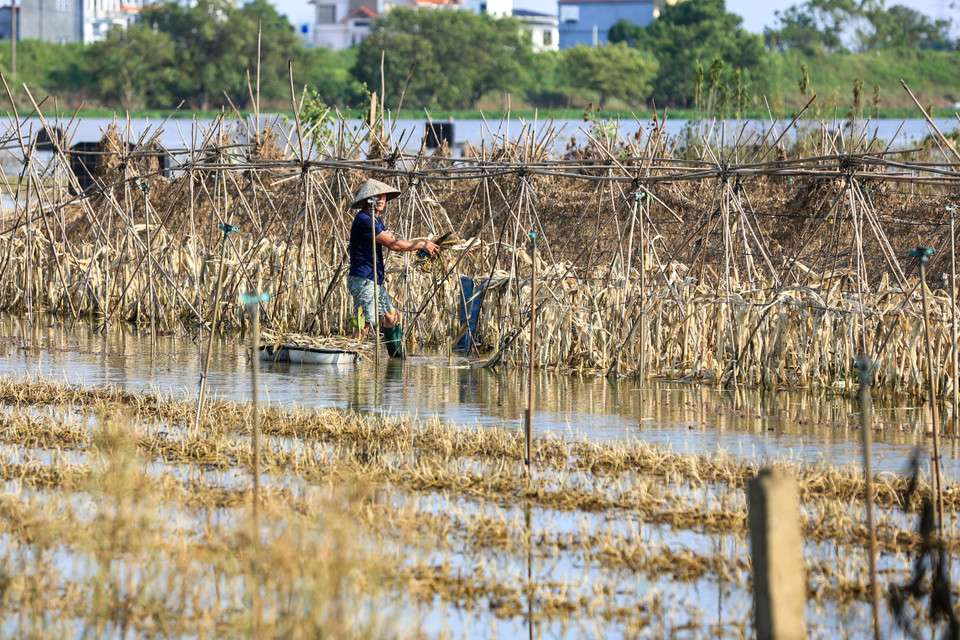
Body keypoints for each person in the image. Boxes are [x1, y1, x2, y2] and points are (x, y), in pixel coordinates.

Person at [347, 179, 439, 358]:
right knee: (364, 323)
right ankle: (351, 358)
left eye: (383, 196)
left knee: (392, 316)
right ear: (368, 200)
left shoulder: (376, 220)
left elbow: (396, 240)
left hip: (373, 279)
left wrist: (421, 245)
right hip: (364, 278)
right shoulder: (364, 219)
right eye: (376, 196)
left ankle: (397, 358)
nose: (381, 199)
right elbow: (393, 245)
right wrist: (421, 244)